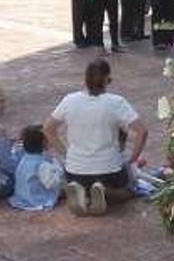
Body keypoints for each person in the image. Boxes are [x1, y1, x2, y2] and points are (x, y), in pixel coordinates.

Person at [43, 59, 148, 216]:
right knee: (130, 190)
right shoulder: (116, 102)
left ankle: (84, 193)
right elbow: (142, 131)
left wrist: (66, 153)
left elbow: (48, 128)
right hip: (109, 169)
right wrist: (132, 159)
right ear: (107, 79)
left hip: (75, 169)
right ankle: (104, 191)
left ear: (85, 79)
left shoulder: (69, 100)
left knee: (82, 181)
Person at [7, 126, 63, 211]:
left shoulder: (24, 158)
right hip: (37, 199)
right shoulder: (42, 164)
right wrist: (58, 167)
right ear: (44, 143)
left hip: (21, 197)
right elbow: (53, 183)